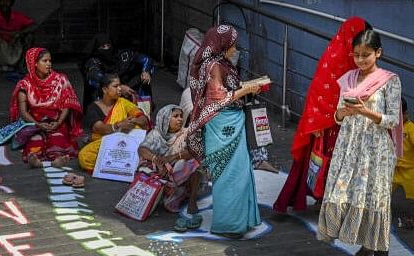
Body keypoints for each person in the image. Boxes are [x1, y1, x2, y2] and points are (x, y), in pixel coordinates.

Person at [318, 30, 402, 256]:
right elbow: (337, 117)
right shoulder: (348, 79)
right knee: (348, 197)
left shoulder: (390, 81)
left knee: (376, 201)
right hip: (349, 148)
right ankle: (366, 245)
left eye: (366, 55)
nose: (360, 60)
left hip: (376, 151)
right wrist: (344, 111)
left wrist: (367, 111)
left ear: (378, 53)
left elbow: (393, 120)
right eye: (356, 55)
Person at [273, 17, 370, 213]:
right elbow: (321, 89)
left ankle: (326, 199)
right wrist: (317, 122)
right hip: (326, 121)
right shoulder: (338, 54)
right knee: (326, 160)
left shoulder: (348, 53)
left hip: (338, 119)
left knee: (331, 161)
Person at [186, 24, 262, 239]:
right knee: (231, 174)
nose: (234, 48)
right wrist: (247, 89)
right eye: (232, 44)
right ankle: (230, 224)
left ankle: (239, 219)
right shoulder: (214, 67)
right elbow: (218, 98)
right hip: (223, 123)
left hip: (225, 122)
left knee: (237, 171)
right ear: (223, 45)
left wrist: (246, 87)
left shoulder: (219, 63)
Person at [0, 48, 83, 168]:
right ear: (34, 63)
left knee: (57, 136)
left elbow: (67, 104)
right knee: (35, 139)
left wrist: (58, 122)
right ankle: (35, 160)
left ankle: (57, 159)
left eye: (50, 61)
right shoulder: (25, 84)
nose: (49, 64)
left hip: (56, 121)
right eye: (44, 61)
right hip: (34, 122)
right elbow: (23, 112)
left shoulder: (61, 79)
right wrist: (38, 124)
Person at [137, 105, 202, 231]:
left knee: (194, 163)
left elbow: (193, 152)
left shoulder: (186, 133)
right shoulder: (156, 134)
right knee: (144, 165)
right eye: (175, 116)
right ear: (165, 118)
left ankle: (192, 200)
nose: (180, 119)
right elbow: (142, 149)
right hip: (162, 174)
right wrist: (157, 160)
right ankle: (160, 192)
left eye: (181, 116)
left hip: (178, 175)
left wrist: (172, 158)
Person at [78, 73, 149, 172]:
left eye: (120, 85)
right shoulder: (93, 107)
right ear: (104, 90)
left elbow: (143, 119)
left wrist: (133, 120)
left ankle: (117, 164)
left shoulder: (123, 102)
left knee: (137, 126)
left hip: (125, 144)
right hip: (105, 144)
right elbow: (99, 128)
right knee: (84, 156)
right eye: (115, 86)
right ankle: (128, 164)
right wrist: (118, 125)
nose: (120, 89)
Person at [80, 34, 155, 110]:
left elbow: (146, 59)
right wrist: (118, 88)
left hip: (128, 88)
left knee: (143, 78)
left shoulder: (123, 56)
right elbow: (97, 78)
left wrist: (146, 71)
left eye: (108, 46)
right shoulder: (93, 62)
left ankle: (142, 110)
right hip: (106, 96)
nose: (106, 49)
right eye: (103, 47)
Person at [0, 0, 37, 78]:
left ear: (12, 3)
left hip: (14, 52)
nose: (4, 3)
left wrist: (19, 32)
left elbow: (34, 26)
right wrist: (8, 33)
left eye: (7, 1)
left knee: (30, 36)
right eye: (2, 1)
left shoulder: (17, 16)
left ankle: (21, 66)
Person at [392, 97, 413, 223]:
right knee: (384, 190)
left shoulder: (410, 129)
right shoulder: (391, 126)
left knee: (412, 195)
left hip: (410, 169)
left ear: (405, 114)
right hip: (395, 167)